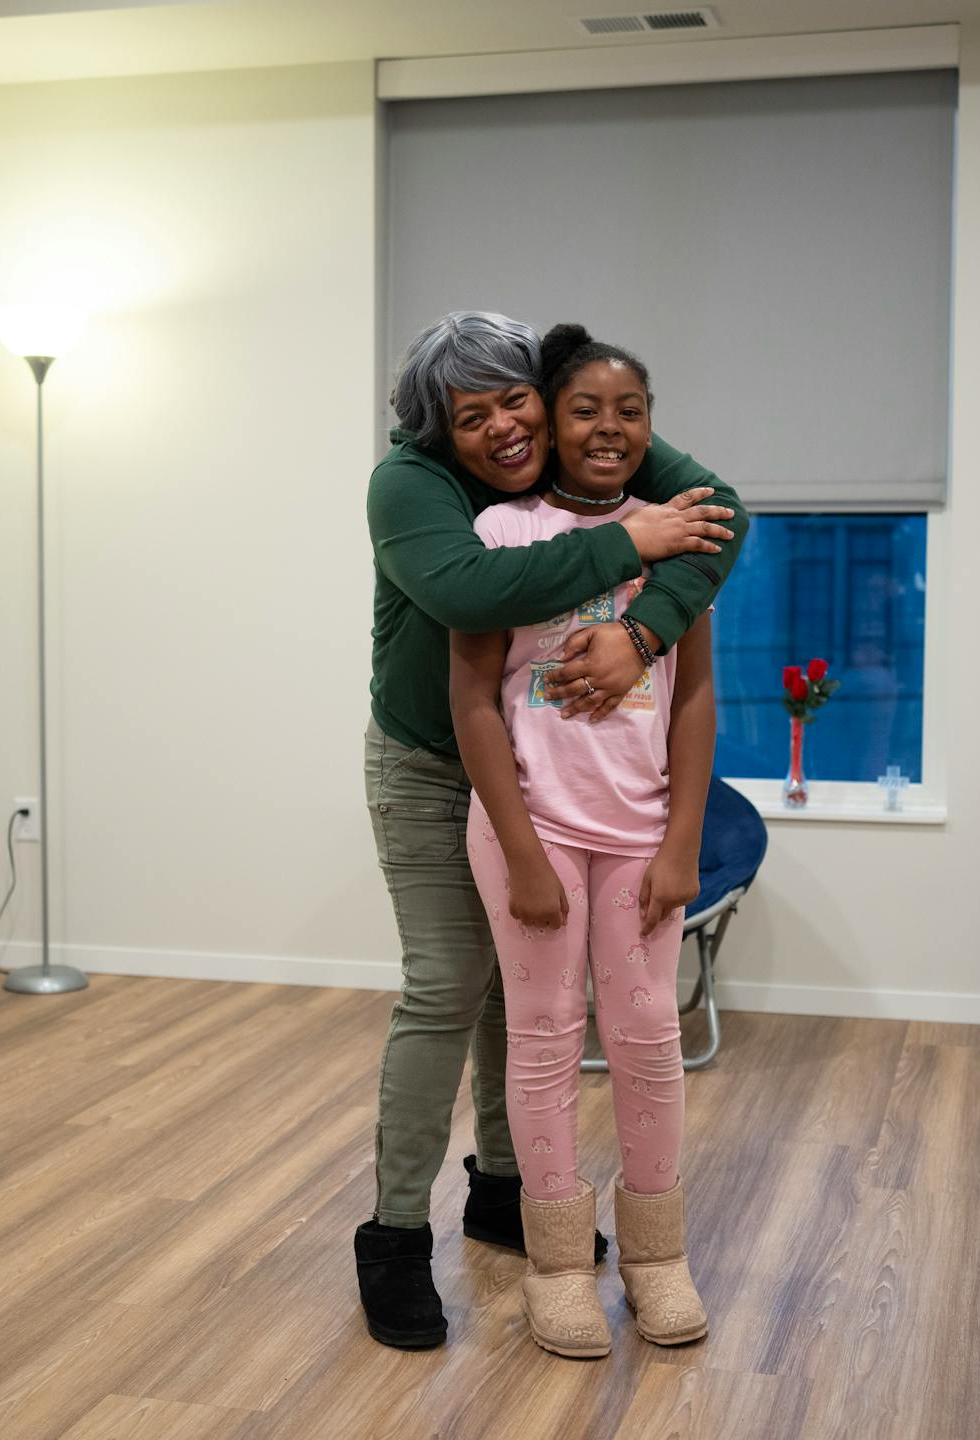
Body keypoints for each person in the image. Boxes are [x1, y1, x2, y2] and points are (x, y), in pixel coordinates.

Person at [358, 311, 746, 1349]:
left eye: (514, 399)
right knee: (453, 991)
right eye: (469, 414)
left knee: (581, 1025)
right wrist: (636, 545)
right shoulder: (426, 490)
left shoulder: (607, 447)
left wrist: (637, 626)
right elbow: (469, 598)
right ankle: (397, 1237)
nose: (502, 427)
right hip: (440, 768)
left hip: (607, 809)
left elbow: (719, 523)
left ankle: (515, 1202)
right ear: (439, 427)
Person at [450, 324, 710, 1359]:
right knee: (546, 1037)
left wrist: (682, 840)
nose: (608, 428)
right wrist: (518, 851)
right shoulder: (503, 531)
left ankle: (656, 1255)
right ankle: (559, 1265)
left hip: (643, 833)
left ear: (651, 427)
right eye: (585, 410)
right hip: (535, 829)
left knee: (648, 1043)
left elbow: (695, 701)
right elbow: (473, 700)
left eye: (630, 411)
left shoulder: (679, 529)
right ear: (549, 425)